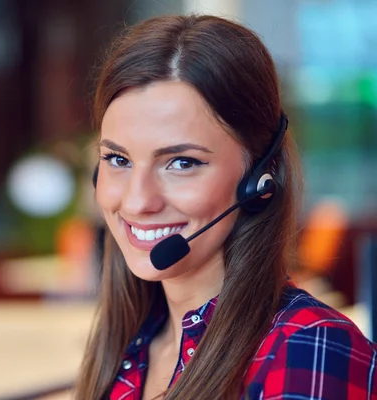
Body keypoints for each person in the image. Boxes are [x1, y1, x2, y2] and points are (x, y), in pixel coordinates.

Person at [75, 14, 377, 400]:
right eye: (118, 160)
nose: (136, 201)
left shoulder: (308, 350)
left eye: (182, 163)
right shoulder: (131, 344)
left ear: (258, 180)